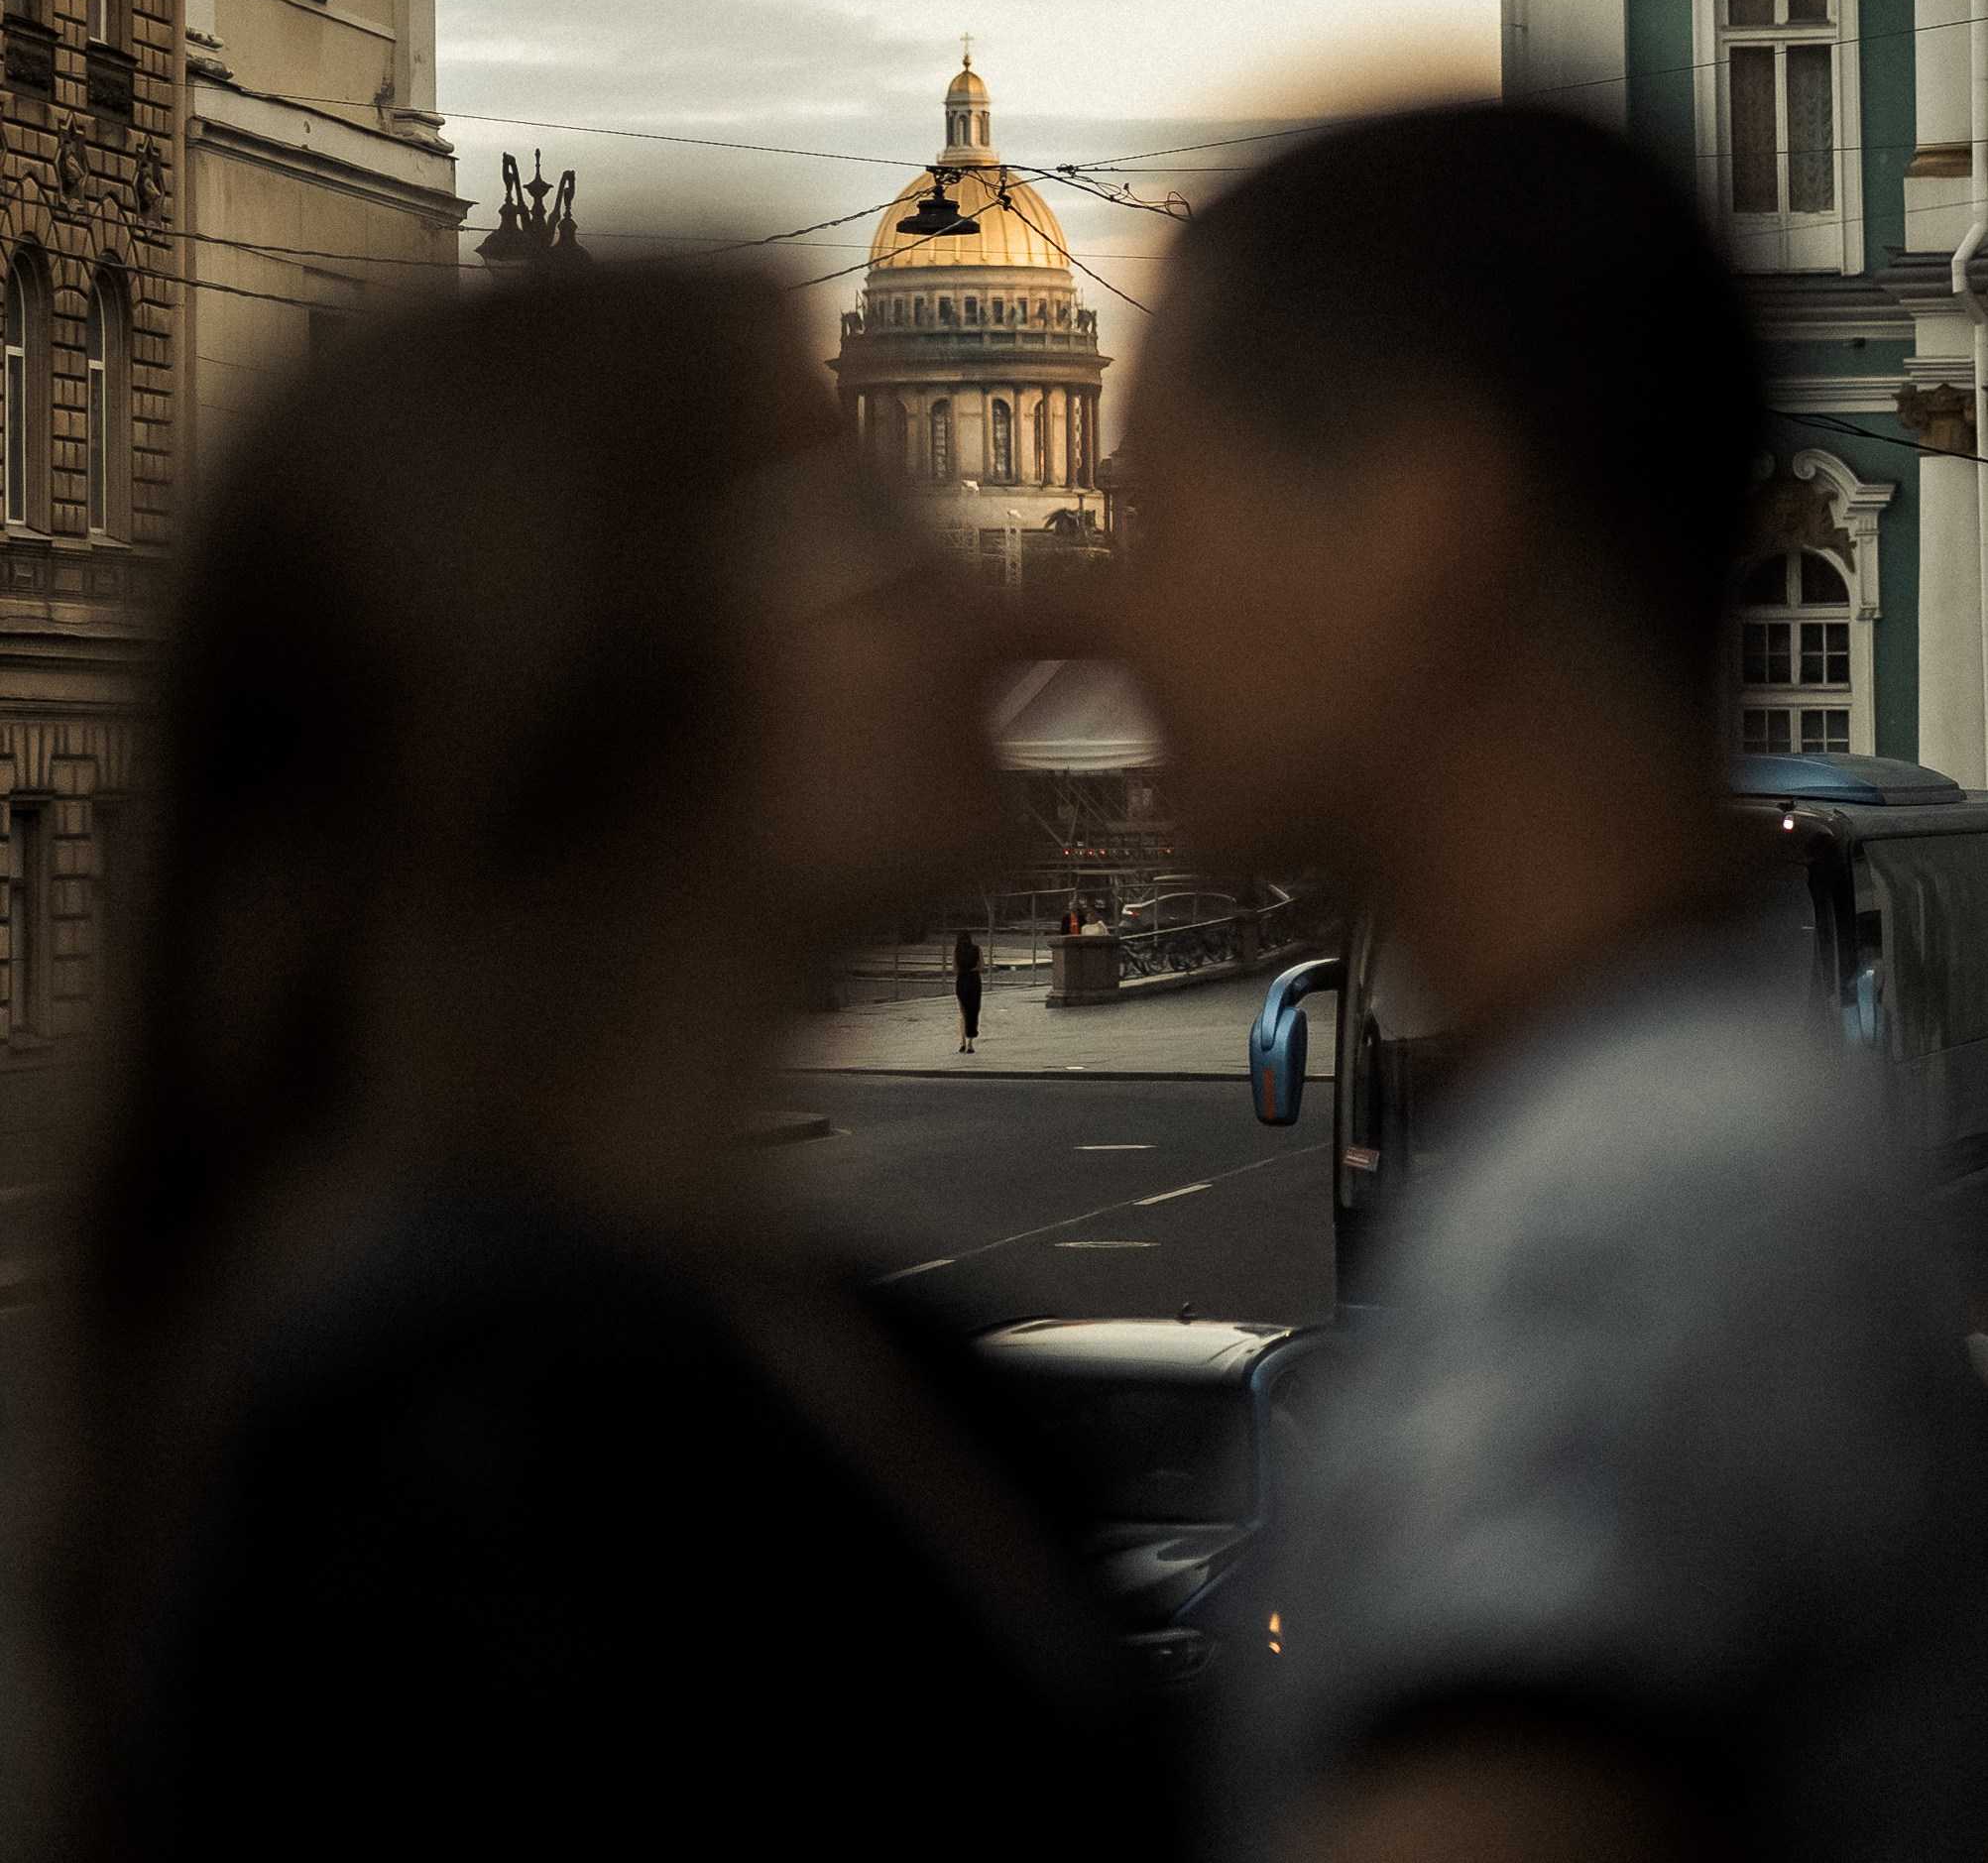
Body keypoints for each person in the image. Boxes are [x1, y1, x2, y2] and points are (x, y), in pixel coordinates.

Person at [45, 264, 1175, 1863]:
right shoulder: (468, 1480)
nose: (983, 603)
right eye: (857, 521)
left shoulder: (853, 1342)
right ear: (595, 676)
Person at [1117, 102, 1988, 1863]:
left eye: (1169, 513)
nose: (1119, 612)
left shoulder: (1638, 1216)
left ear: (1422, 527)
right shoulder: (1710, 1129)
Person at [954, 927, 984, 1052]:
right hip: (974, 980)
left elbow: (954, 968)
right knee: (973, 1011)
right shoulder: (977, 949)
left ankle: (962, 1042)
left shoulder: (956, 950)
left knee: (962, 1012)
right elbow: (982, 965)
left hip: (961, 980)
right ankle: (970, 1043)